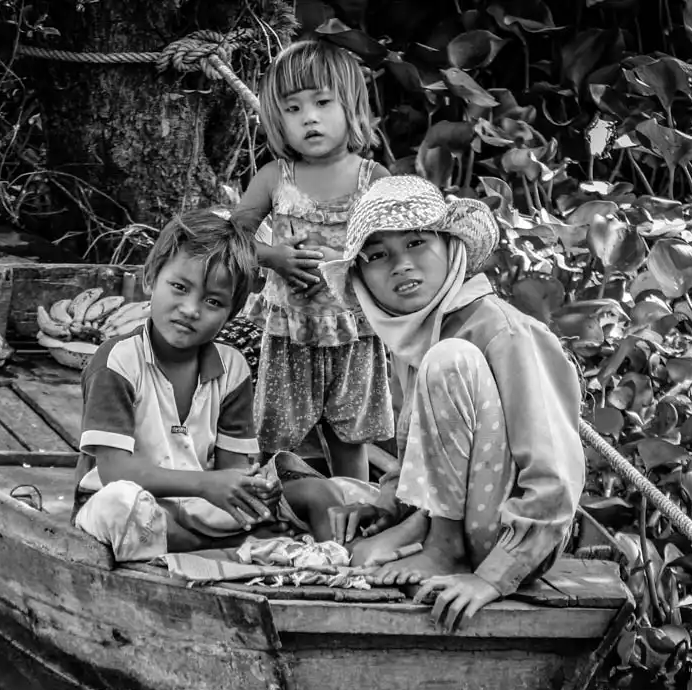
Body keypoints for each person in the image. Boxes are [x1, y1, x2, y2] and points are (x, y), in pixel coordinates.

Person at [321, 176, 586, 631]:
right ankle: (428, 537)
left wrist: (491, 579)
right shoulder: (419, 335)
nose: (401, 266)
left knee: (449, 360)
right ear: (363, 277)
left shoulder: (501, 330)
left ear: (450, 247)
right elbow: (419, 452)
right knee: (342, 522)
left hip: (507, 540)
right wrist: (387, 506)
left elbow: (555, 474)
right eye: (378, 255)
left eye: (417, 242)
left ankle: (443, 549)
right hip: (456, 521)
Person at [72, 209, 283, 558]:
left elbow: (233, 468)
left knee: (303, 495)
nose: (190, 309)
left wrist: (249, 489)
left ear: (231, 314)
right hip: (116, 502)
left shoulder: (233, 367)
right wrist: (206, 483)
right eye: (180, 288)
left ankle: (205, 544)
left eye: (213, 302)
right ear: (150, 279)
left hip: (193, 504)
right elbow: (114, 471)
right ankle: (206, 549)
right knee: (121, 506)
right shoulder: (118, 360)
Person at [234, 39, 393, 481]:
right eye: (293, 108)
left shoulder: (373, 179)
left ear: (350, 107)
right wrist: (273, 257)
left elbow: (389, 252)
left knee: (350, 436)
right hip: (290, 331)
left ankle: (353, 504)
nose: (309, 117)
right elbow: (233, 240)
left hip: (353, 332)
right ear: (278, 119)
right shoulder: (274, 178)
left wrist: (346, 259)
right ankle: (273, 504)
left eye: (323, 102)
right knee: (276, 436)